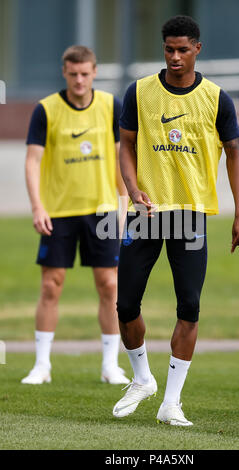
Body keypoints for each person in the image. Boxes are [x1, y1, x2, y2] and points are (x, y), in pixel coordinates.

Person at [112, 15, 239, 425]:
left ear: (197, 49)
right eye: (169, 49)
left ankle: (172, 402)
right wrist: (133, 188)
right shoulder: (138, 93)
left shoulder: (217, 98)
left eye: (183, 49)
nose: (175, 57)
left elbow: (235, 154)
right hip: (148, 213)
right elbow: (126, 145)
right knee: (125, 305)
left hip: (190, 214)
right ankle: (142, 379)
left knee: (189, 306)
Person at [22, 45, 129, 385]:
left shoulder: (112, 105)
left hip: (102, 211)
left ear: (94, 72)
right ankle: (42, 365)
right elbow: (32, 161)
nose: (80, 79)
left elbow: (120, 158)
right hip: (60, 212)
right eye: (73, 73)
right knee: (51, 286)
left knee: (110, 285)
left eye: (85, 73)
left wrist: (124, 205)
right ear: (64, 72)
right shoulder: (46, 110)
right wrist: (38, 206)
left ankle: (110, 365)